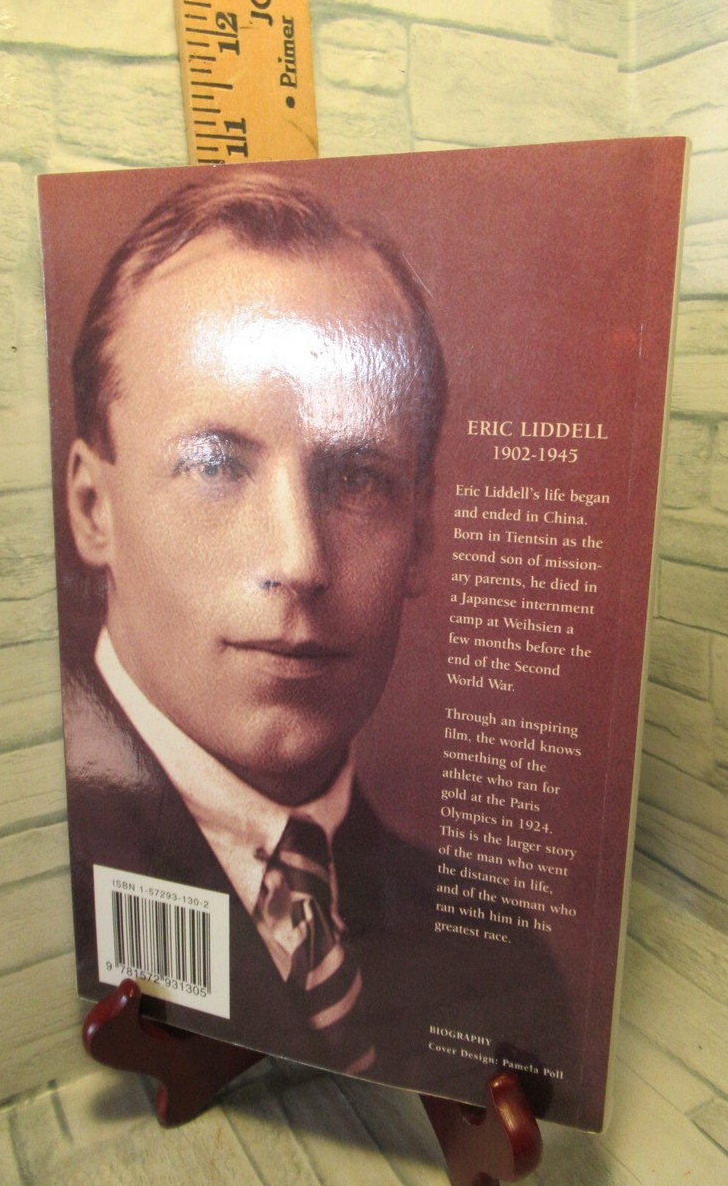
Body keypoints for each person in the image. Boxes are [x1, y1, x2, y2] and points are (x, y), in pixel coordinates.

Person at [60, 171, 571, 1112]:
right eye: (215, 465)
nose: (299, 561)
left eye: (357, 479)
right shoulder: (47, 895)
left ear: (421, 537)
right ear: (95, 508)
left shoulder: (504, 961)